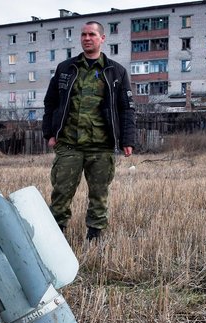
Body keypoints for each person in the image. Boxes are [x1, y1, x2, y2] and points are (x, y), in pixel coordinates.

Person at [43, 21, 136, 241]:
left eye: (92, 34)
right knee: (61, 193)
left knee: (99, 194)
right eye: (84, 34)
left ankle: (95, 237)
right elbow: (51, 102)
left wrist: (127, 139)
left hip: (101, 146)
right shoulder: (66, 68)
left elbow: (127, 108)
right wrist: (49, 133)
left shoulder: (116, 71)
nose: (87, 38)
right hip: (69, 145)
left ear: (102, 38)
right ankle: (57, 237)